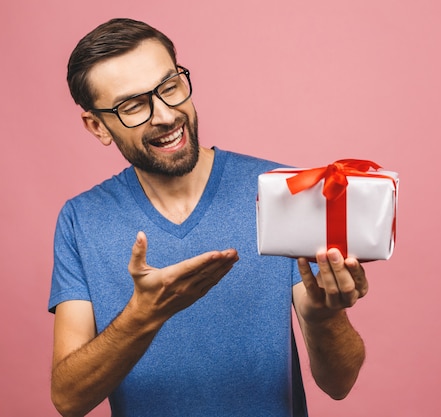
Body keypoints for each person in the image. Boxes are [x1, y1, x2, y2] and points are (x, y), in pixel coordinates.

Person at [49, 18, 368, 417]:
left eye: (169, 87)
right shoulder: (82, 220)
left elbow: (339, 383)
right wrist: (142, 317)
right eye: (133, 105)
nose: (165, 116)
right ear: (97, 126)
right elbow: (68, 399)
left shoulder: (281, 192)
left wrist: (325, 316)